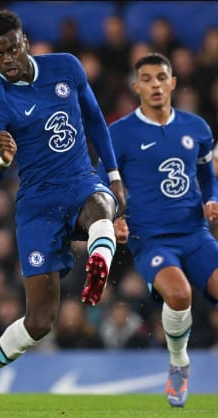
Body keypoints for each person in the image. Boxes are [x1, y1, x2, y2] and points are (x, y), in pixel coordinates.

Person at [0, 10, 126, 414]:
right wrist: (1, 162)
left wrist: (114, 172)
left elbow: (93, 119)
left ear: (25, 42)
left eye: (11, 48)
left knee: (103, 204)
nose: (6, 59)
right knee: (39, 322)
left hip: (80, 181)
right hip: (37, 206)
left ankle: (97, 261)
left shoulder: (66, 67)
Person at [99, 52, 218, 407]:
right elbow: (99, 183)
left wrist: (212, 199)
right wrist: (112, 217)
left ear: (173, 82)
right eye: (147, 79)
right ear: (136, 87)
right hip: (149, 237)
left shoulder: (196, 128)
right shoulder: (118, 134)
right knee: (179, 295)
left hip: (195, 233)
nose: (155, 84)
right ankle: (179, 362)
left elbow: (207, 177)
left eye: (161, 77)